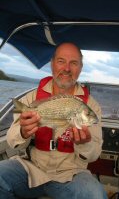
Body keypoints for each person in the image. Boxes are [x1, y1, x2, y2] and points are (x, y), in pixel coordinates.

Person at [0, 42, 107, 199]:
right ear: (52, 64)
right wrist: (23, 132)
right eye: (61, 61)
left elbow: (94, 154)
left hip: (72, 175)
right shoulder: (31, 98)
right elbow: (11, 141)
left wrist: (84, 143)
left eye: (74, 63)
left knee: (95, 194)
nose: (67, 68)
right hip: (32, 170)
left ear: (81, 68)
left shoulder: (91, 106)